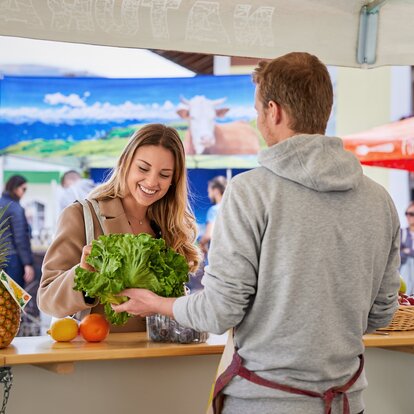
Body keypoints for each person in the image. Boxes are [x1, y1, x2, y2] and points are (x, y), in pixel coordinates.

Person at [111, 52, 400, 414]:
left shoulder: (250, 191)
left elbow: (219, 311)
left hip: (264, 404)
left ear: (274, 112)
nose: (258, 119)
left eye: (258, 110)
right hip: (347, 403)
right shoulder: (380, 201)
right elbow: (381, 315)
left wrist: (155, 304)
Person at [38, 123, 201, 333]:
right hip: (101, 359)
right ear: (125, 163)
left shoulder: (170, 227)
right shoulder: (81, 215)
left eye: (164, 174)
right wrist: (84, 276)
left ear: (174, 180)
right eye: (143, 168)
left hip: (160, 357)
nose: (152, 181)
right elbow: (46, 299)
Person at [0, 175, 35, 287]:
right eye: (23, 189)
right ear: (15, 188)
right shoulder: (15, 208)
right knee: (15, 300)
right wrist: (27, 263)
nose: (24, 192)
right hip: (13, 258)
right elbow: (20, 238)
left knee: (4, 301)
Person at [199, 175, 227, 256]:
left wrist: (201, 244)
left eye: (209, 191)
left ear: (216, 191)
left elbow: (208, 235)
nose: (208, 195)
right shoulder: (230, 208)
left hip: (217, 255)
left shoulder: (214, 210)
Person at [399, 202, 414, 295]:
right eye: (406, 213)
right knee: (410, 261)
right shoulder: (402, 233)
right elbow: (397, 255)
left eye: (412, 214)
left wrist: (409, 251)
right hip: (405, 271)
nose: (408, 216)